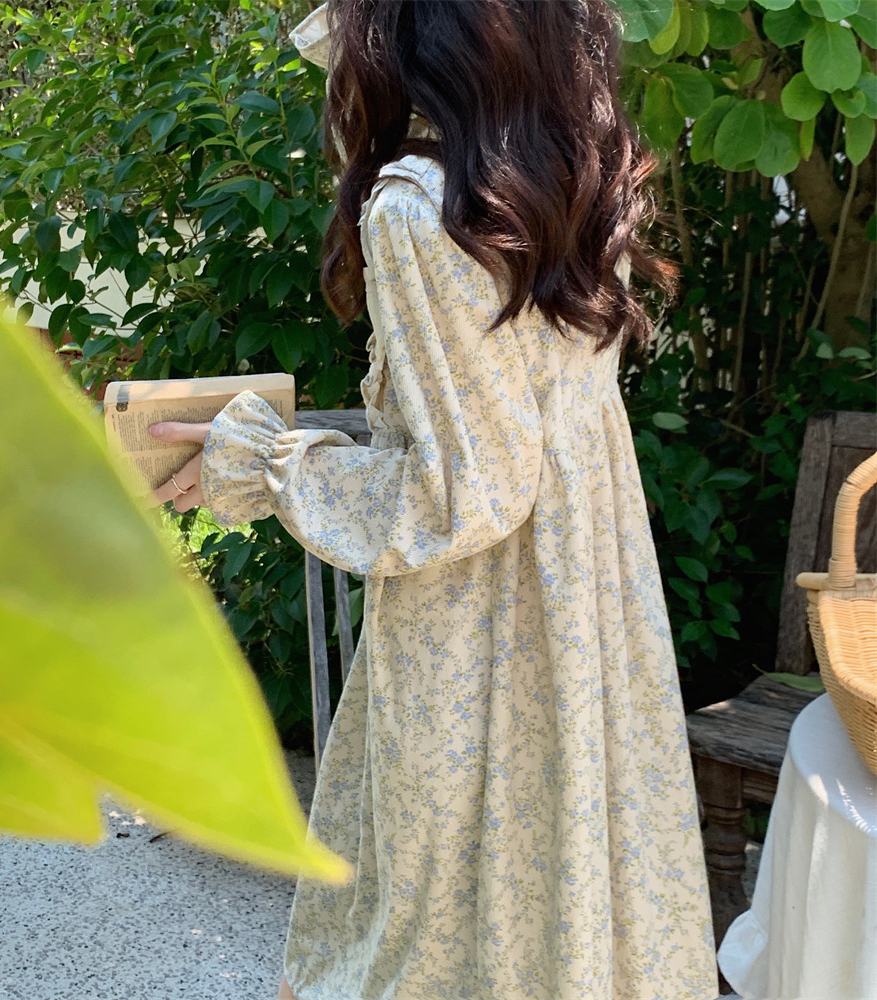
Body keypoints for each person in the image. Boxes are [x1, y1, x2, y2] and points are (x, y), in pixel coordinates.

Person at [147, 1, 718, 997]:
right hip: (589, 610)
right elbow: (506, 445)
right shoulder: (568, 181)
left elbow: (463, 490)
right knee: (569, 891)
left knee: (431, 929)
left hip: (479, 634)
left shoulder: (422, 208)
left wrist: (266, 465)